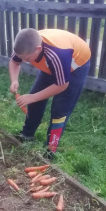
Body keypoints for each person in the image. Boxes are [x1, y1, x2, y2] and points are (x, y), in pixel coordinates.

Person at [9, 28, 91, 159]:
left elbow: (62, 85)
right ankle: (26, 135)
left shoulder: (56, 55)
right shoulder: (25, 45)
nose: (24, 61)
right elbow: (14, 62)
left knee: (60, 111)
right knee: (34, 100)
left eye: (27, 58)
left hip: (75, 65)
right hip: (51, 65)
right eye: (22, 58)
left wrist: (33, 97)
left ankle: (50, 150)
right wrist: (14, 80)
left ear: (38, 49)